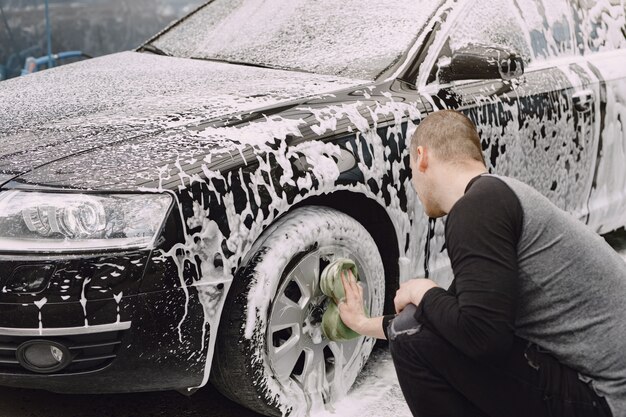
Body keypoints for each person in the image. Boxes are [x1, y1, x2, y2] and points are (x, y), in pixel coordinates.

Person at [337, 109, 626, 417]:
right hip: (604, 388)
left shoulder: (476, 208)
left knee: (411, 336)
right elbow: (447, 319)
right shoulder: (495, 198)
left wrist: (424, 291)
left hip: (604, 398)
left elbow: (482, 338)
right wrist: (362, 323)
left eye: (411, 172)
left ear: (422, 157)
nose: (414, 186)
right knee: (419, 325)